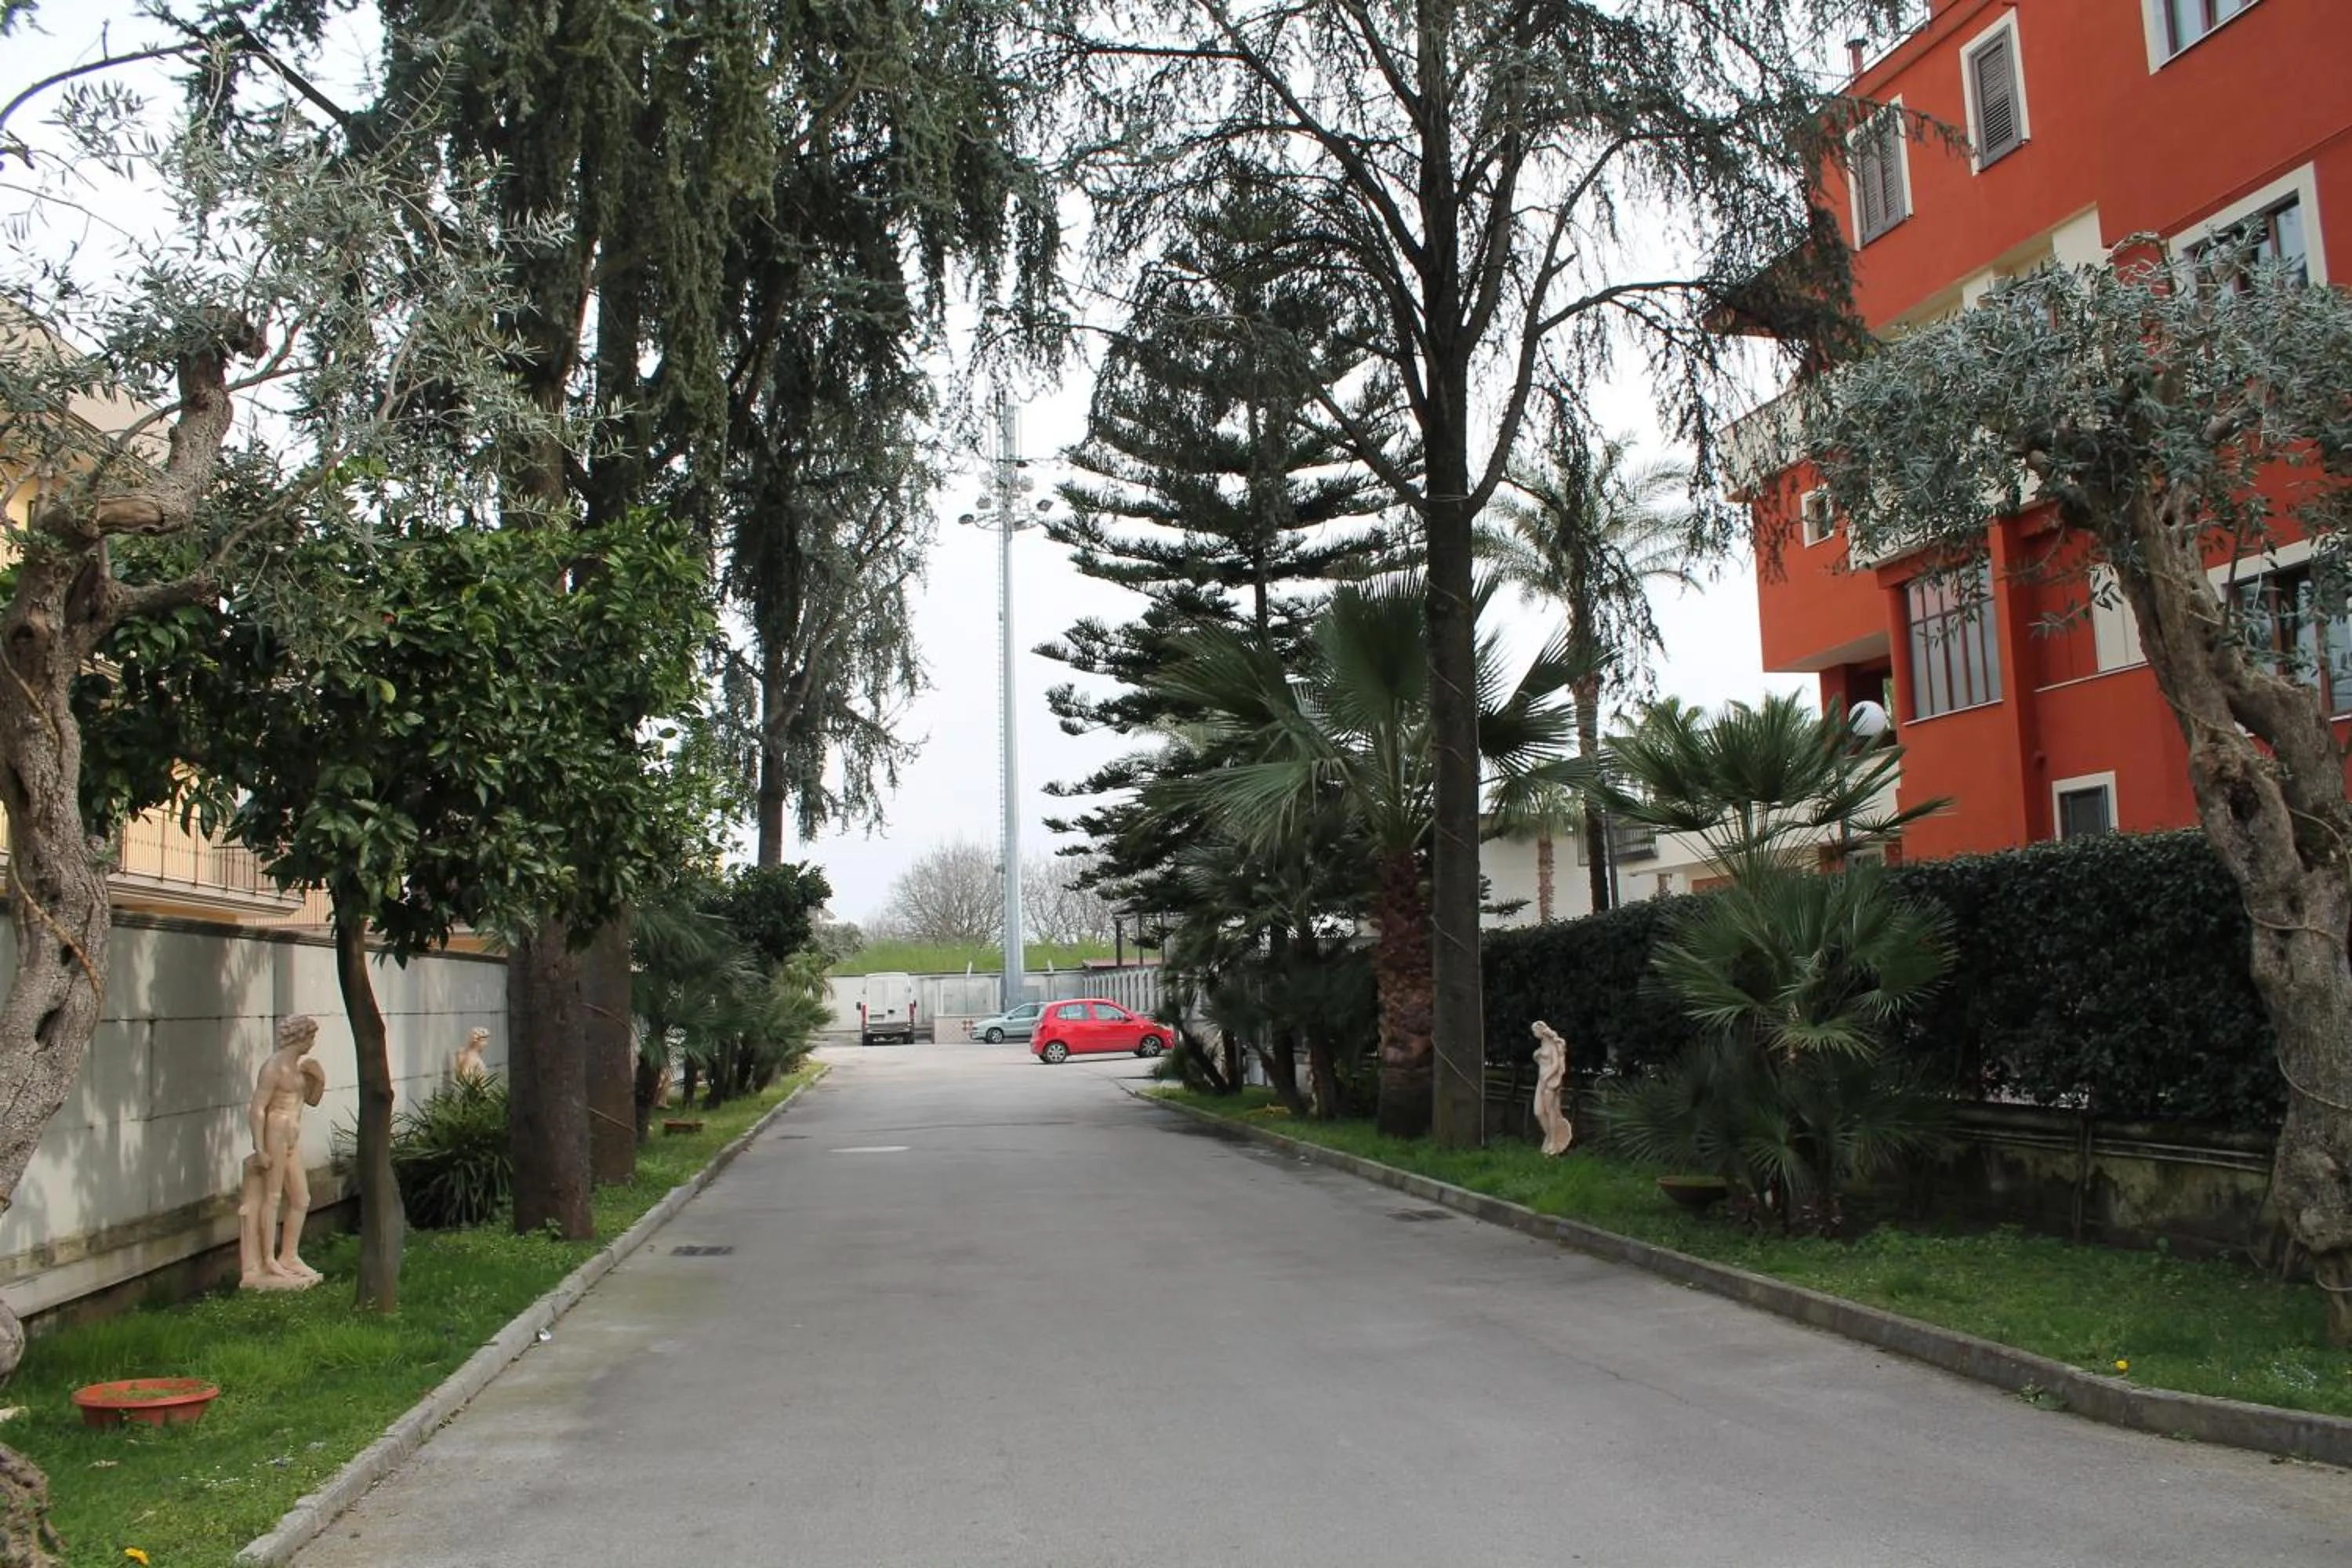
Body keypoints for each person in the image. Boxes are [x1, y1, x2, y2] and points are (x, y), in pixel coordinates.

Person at [240, 1015, 327, 1290]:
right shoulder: (274, 1067)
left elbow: (311, 1101)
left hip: (292, 1134)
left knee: (301, 1197)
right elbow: (257, 1108)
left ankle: (289, 1255)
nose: (312, 1043)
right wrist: (260, 1146)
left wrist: (319, 1078)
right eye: (311, 1037)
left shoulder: (298, 1067)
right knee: (273, 1196)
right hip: (276, 1130)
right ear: (300, 1037)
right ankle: (267, 1260)